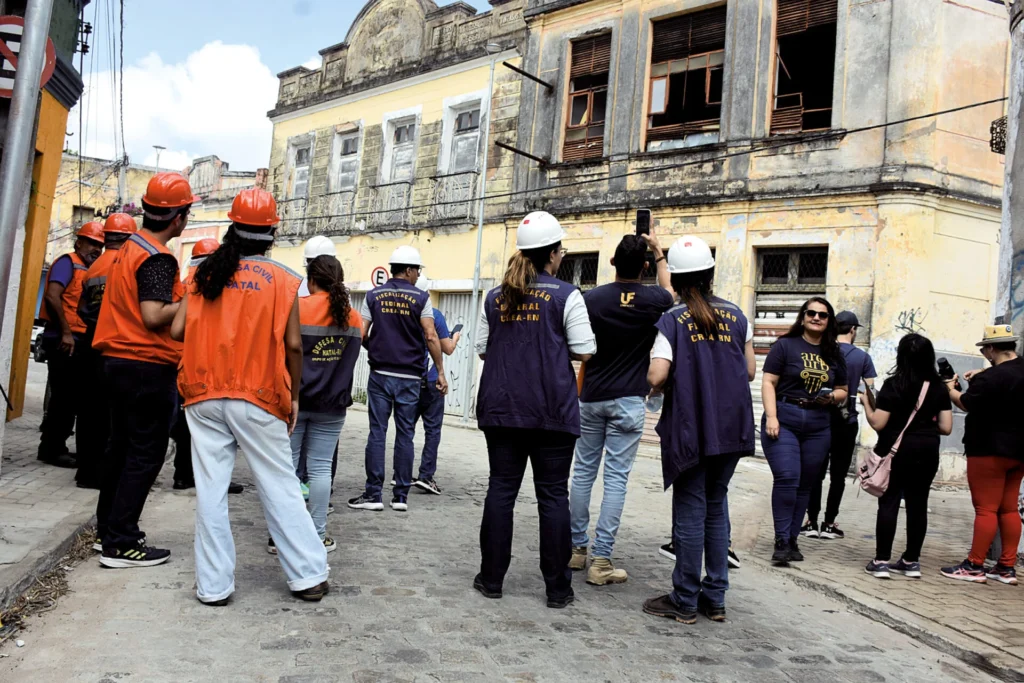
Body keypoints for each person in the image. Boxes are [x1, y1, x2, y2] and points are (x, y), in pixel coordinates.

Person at [171, 188, 329, 604]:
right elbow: (294, 346)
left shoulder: (203, 272)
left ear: (231, 227)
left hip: (203, 394)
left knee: (211, 491)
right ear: (272, 231)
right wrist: (293, 396)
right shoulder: (282, 279)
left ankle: (213, 587)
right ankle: (309, 576)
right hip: (259, 395)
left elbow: (175, 331)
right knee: (280, 485)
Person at [474, 211, 596, 609]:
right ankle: (558, 589)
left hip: (502, 407)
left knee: (501, 490)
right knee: (552, 497)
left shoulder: (495, 296)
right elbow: (585, 348)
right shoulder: (566, 294)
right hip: (552, 412)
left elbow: (481, 348)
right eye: (561, 250)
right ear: (553, 254)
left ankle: (491, 579)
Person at [642, 236, 756, 624]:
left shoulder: (672, 320)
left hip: (692, 425)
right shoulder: (739, 315)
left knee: (690, 510)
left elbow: (657, 373)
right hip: (732, 424)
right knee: (715, 506)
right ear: (710, 274)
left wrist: (655, 383)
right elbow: (752, 370)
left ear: (675, 279)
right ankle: (716, 597)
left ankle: (686, 599)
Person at [92, 173, 193, 568]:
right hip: (145, 365)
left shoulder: (129, 247)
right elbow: (153, 315)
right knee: (143, 455)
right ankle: (122, 541)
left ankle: (109, 533)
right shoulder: (157, 256)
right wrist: (190, 304)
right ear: (179, 218)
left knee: (120, 450)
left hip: (118, 362)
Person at [567, 232, 673, 586]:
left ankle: (576, 550)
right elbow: (671, 292)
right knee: (616, 480)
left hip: (592, 395)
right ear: (644, 265)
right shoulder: (655, 298)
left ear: (611, 262)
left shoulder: (590, 299)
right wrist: (659, 251)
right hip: (629, 400)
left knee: (583, 472)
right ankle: (601, 561)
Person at [349, 246, 447, 513]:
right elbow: (430, 335)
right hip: (410, 377)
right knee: (406, 434)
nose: (418, 275)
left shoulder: (374, 295)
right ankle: (400, 497)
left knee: (377, 432)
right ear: (408, 269)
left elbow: (360, 333)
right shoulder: (421, 298)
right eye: (417, 270)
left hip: (380, 375)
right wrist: (439, 371)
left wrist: (376, 348)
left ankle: (373, 494)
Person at [283, 253, 363, 554]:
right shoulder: (352, 317)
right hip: (332, 406)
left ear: (311, 279)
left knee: (287, 470)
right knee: (319, 470)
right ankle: (316, 536)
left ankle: (282, 537)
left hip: (294, 402)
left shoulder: (297, 309)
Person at [761, 297, 848, 565]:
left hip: (818, 424)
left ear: (829, 321)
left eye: (823, 315)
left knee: (805, 485)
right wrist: (772, 417)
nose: (816, 318)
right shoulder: (785, 346)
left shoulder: (834, 353)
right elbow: (768, 382)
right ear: (803, 316)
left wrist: (831, 397)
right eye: (811, 313)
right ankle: (781, 539)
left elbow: (844, 390)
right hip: (784, 418)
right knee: (787, 477)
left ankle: (792, 539)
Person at [859, 333, 952, 579]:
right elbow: (946, 427)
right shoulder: (939, 388)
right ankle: (911, 561)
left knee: (889, 502)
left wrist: (866, 403)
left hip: (897, 451)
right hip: (927, 450)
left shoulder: (893, 385)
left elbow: (878, 423)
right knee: (918, 504)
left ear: (901, 357)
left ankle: (881, 561)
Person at [941, 324, 1024, 585]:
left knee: (986, 509)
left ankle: (974, 565)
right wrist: (985, 373)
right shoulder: (1017, 369)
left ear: (990, 348)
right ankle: (1006, 567)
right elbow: (1007, 377)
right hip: (1020, 451)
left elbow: (967, 403)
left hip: (988, 450)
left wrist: (950, 389)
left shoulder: (991, 378)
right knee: (1009, 508)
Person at [802, 310, 877, 540]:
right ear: (853, 330)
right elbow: (871, 390)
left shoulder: (823, 351)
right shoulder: (862, 357)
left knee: (815, 472)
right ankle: (829, 523)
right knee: (838, 475)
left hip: (820, 420)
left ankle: (811, 521)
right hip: (847, 421)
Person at [75, 215, 136, 490]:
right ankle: (105, 472)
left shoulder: (93, 268)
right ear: (128, 239)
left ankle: (85, 471)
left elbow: (82, 308)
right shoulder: (127, 265)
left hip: (91, 342)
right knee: (112, 414)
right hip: (117, 344)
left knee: (88, 410)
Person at [37, 221, 104, 468]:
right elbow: (53, 296)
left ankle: (56, 446)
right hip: (64, 340)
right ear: (79, 242)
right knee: (64, 398)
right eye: (92, 243)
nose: (96, 249)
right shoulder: (68, 262)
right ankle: (51, 449)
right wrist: (65, 332)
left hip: (78, 340)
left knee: (71, 398)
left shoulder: (90, 269)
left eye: (100, 245)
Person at [411, 280, 461, 496]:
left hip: (408, 379)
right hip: (432, 380)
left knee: (405, 429)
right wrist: (455, 337)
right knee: (432, 430)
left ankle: (400, 474)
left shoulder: (403, 314)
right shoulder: (436, 316)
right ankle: (425, 476)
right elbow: (447, 348)